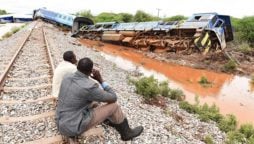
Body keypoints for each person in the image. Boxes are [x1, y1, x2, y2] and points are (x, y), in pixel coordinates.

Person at [56, 57, 143, 141]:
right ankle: (127, 134)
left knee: (95, 101)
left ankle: (109, 119)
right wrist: (100, 79)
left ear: (77, 67)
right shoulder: (89, 86)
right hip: (73, 127)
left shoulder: (67, 77)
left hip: (60, 121)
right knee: (114, 106)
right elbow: (113, 98)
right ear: (91, 71)